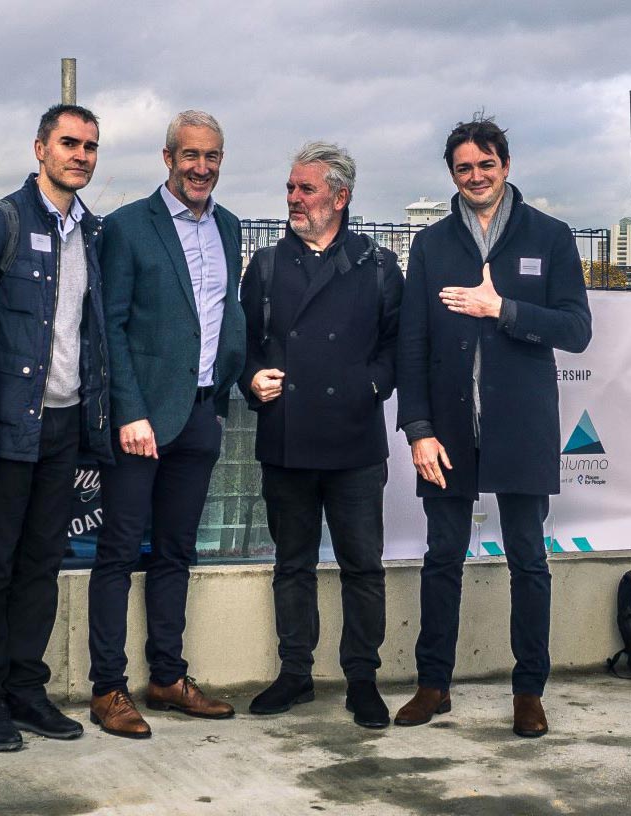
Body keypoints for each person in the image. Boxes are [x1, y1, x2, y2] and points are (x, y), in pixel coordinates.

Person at [395, 116, 592, 737]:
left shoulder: (551, 236)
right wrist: (419, 427)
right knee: (442, 558)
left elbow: (576, 330)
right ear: (451, 175)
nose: (475, 176)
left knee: (529, 560)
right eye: (463, 168)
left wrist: (500, 308)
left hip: (522, 427)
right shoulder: (431, 245)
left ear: (505, 165)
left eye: (486, 164)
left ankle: (529, 691)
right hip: (449, 429)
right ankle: (433, 685)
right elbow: (413, 343)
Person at [0, 104, 112, 751]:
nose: (80, 155)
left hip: (65, 425)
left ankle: (26, 688)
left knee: (42, 564)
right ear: (40, 148)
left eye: (90, 146)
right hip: (4, 430)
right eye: (69, 143)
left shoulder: (92, 234)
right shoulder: (0, 225)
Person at [87, 110, 246, 738]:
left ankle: (168, 676)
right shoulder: (127, 228)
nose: (201, 167)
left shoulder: (230, 227)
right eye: (190, 156)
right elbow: (112, 327)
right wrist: (131, 411)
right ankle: (106, 689)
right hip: (142, 425)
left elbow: (220, 314)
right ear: (167, 157)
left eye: (211, 156)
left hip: (202, 414)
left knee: (177, 553)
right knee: (118, 554)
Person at [239, 143, 404, 727]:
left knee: (363, 566)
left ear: (340, 196)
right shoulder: (264, 266)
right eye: (290, 188)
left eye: (306, 189)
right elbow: (246, 347)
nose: (294, 199)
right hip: (287, 437)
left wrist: (371, 386)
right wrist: (251, 377)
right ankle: (295, 674)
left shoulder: (380, 265)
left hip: (355, 441)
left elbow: (395, 346)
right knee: (293, 563)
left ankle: (363, 677)